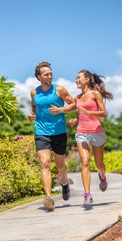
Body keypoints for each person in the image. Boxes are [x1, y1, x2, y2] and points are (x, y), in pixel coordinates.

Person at [49, 69, 113, 206]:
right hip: (82, 132)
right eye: (76, 79)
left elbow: (104, 113)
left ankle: (102, 176)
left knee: (99, 164)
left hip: (96, 131)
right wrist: (76, 120)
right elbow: (80, 113)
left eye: (79, 78)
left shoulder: (95, 94)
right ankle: (87, 195)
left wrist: (88, 111)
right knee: (85, 161)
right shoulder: (77, 98)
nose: (76, 80)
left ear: (87, 79)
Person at [28, 62, 75, 211]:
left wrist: (61, 109)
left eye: (50, 73)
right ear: (38, 77)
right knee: (45, 163)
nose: (49, 76)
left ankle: (65, 182)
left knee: (60, 165)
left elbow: (74, 104)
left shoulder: (59, 90)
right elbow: (34, 106)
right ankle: (48, 198)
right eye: (46, 74)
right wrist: (32, 115)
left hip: (59, 132)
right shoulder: (34, 93)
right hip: (41, 132)